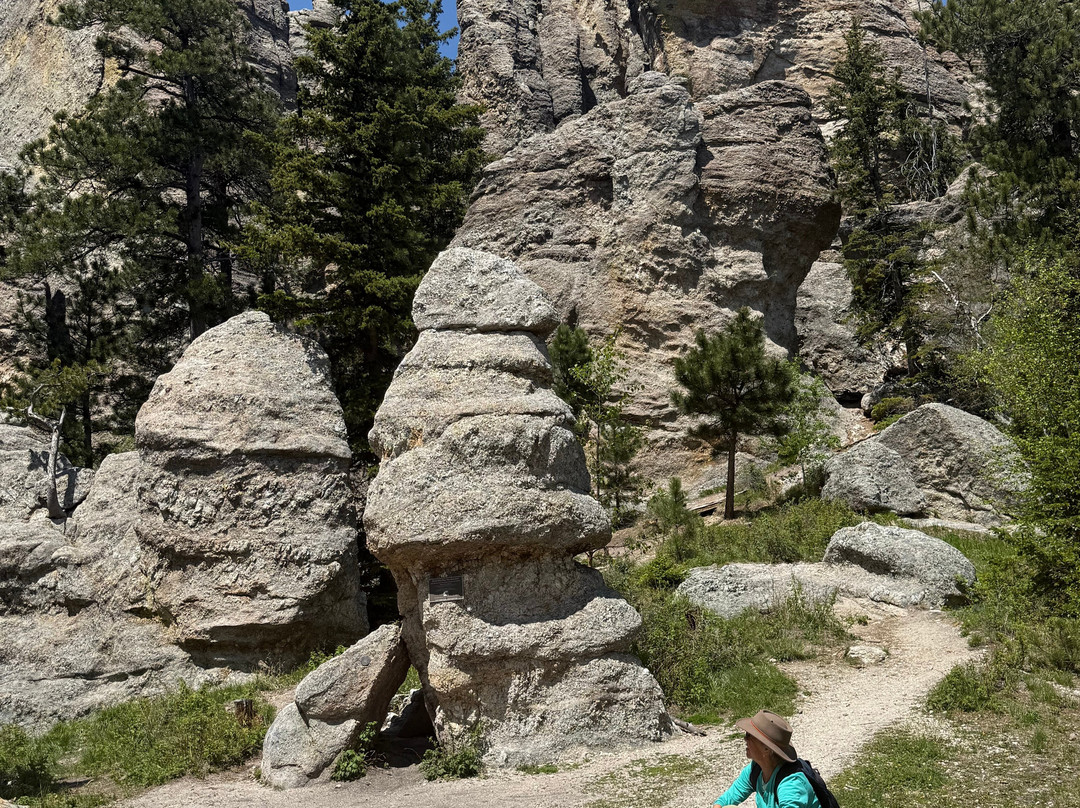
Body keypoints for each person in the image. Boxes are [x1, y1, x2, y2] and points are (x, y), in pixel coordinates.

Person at [712, 710, 821, 808]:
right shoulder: (756, 769)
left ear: (766, 748)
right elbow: (729, 797)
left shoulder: (791, 784)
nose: (745, 739)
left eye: (749, 735)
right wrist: (718, 805)